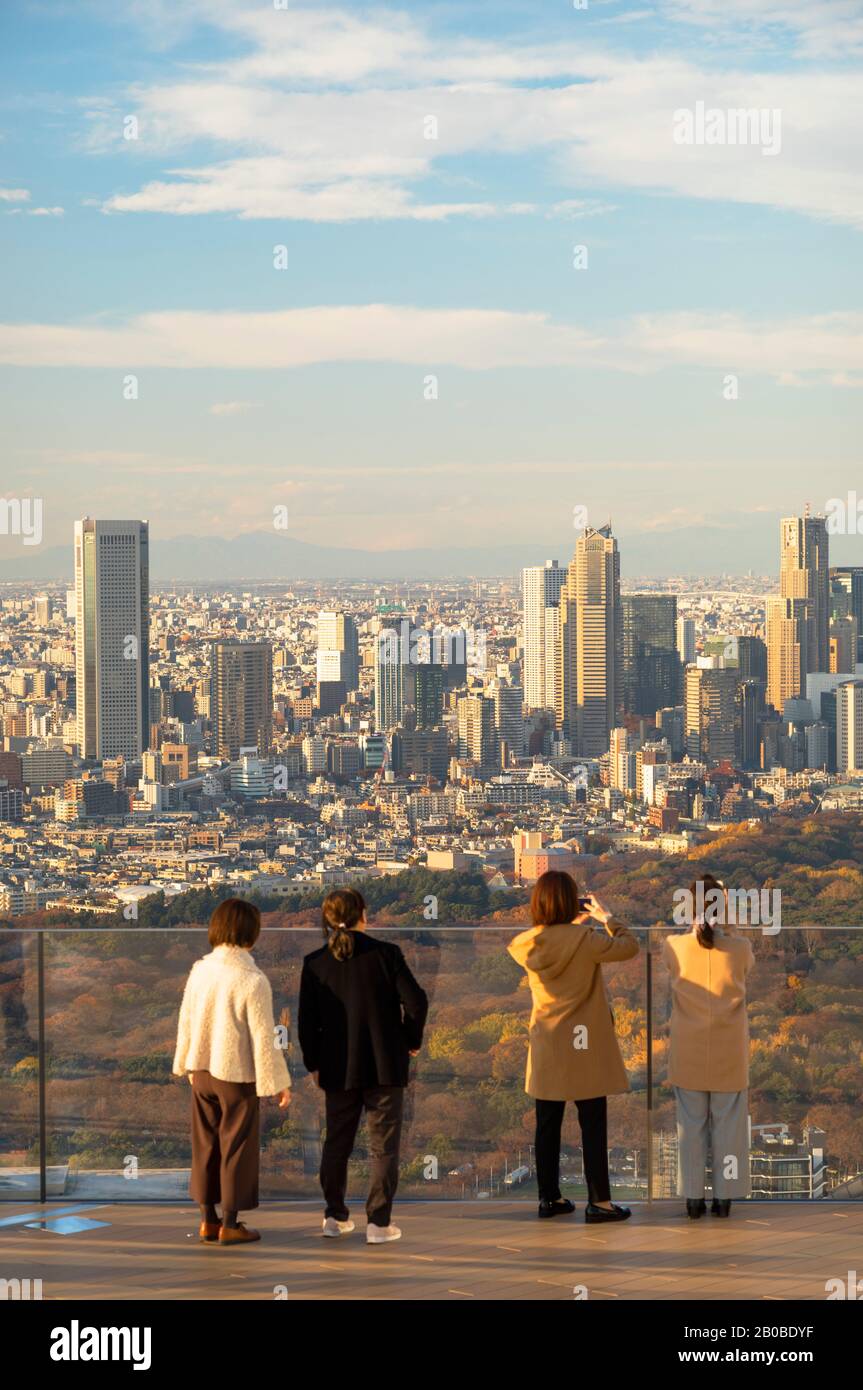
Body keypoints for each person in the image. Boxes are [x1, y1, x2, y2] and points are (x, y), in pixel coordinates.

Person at [508, 870, 639, 1224]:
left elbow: (539, 940)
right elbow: (630, 947)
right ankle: (600, 1202)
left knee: (547, 1124)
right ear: (572, 902)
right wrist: (605, 918)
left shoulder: (527, 944)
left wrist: (564, 924)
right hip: (585, 1043)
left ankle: (548, 1198)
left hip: (548, 1040)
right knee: (593, 1123)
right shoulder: (586, 939)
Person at [298, 888, 428, 1244]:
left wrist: (314, 1063)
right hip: (386, 1063)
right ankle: (378, 1223)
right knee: (383, 1146)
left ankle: (334, 1216)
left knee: (336, 1142)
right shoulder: (387, 955)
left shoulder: (315, 964)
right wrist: (409, 1040)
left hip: (337, 1067)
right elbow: (416, 1002)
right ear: (363, 915)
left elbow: (306, 1023)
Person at [173, 897, 291, 1246]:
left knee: (205, 1145)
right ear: (250, 934)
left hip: (202, 1070)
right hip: (235, 1075)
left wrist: (185, 1063)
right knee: (236, 1147)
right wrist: (276, 1083)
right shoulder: (253, 980)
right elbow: (263, 1038)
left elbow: (186, 1021)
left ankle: (207, 1220)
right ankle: (230, 1223)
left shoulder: (200, 969)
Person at [663, 873, 755, 1219]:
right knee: (728, 1127)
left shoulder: (673, 946)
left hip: (688, 1046)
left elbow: (674, 968)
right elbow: (746, 971)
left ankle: (692, 1197)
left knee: (690, 1127)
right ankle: (725, 1196)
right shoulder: (740, 948)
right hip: (729, 1049)